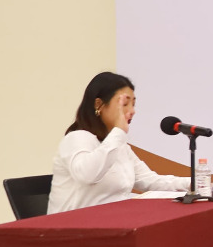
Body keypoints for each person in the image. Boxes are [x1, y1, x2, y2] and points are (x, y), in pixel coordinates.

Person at [48, 72, 190, 214]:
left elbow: (150, 180)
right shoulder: (76, 138)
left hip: (111, 220)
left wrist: (194, 183)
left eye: (133, 104)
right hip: (73, 224)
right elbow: (88, 175)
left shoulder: (119, 145)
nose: (132, 111)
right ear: (99, 104)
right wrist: (118, 131)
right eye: (124, 104)